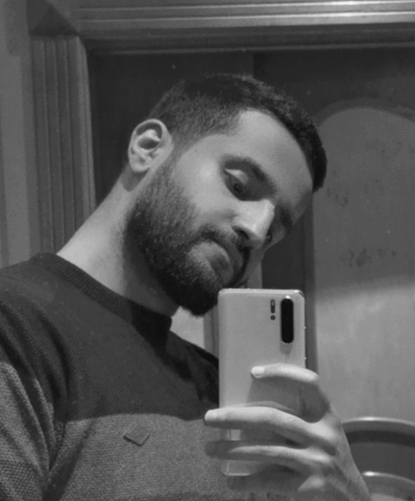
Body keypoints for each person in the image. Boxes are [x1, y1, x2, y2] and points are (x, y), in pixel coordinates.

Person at [0, 73, 369, 501]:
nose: (255, 231)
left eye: (273, 232)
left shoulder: (221, 388)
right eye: (238, 186)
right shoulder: (18, 328)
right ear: (148, 148)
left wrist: (350, 494)